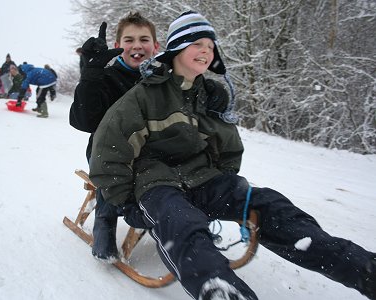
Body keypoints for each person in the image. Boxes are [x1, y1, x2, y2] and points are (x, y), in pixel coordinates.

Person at [88, 11, 376, 300]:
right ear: (177, 47)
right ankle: (219, 289)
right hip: (155, 185)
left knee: (268, 202)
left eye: (211, 46)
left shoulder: (210, 95)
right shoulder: (143, 96)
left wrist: (224, 180)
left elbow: (228, 147)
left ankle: (361, 267)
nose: (206, 51)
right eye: (197, 43)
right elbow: (108, 150)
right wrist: (125, 202)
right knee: (182, 222)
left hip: (202, 179)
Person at [69, 11, 230, 262]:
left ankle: (190, 226)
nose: (136, 46)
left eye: (144, 39)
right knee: (113, 166)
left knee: (194, 166)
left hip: (156, 152)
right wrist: (90, 74)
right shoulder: (106, 77)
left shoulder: (167, 76)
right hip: (111, 151)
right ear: (117, 46)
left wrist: (214, 92)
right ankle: (105, 219)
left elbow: (192, 103)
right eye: (129, 40)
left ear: (156, 46)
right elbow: (83, 121)